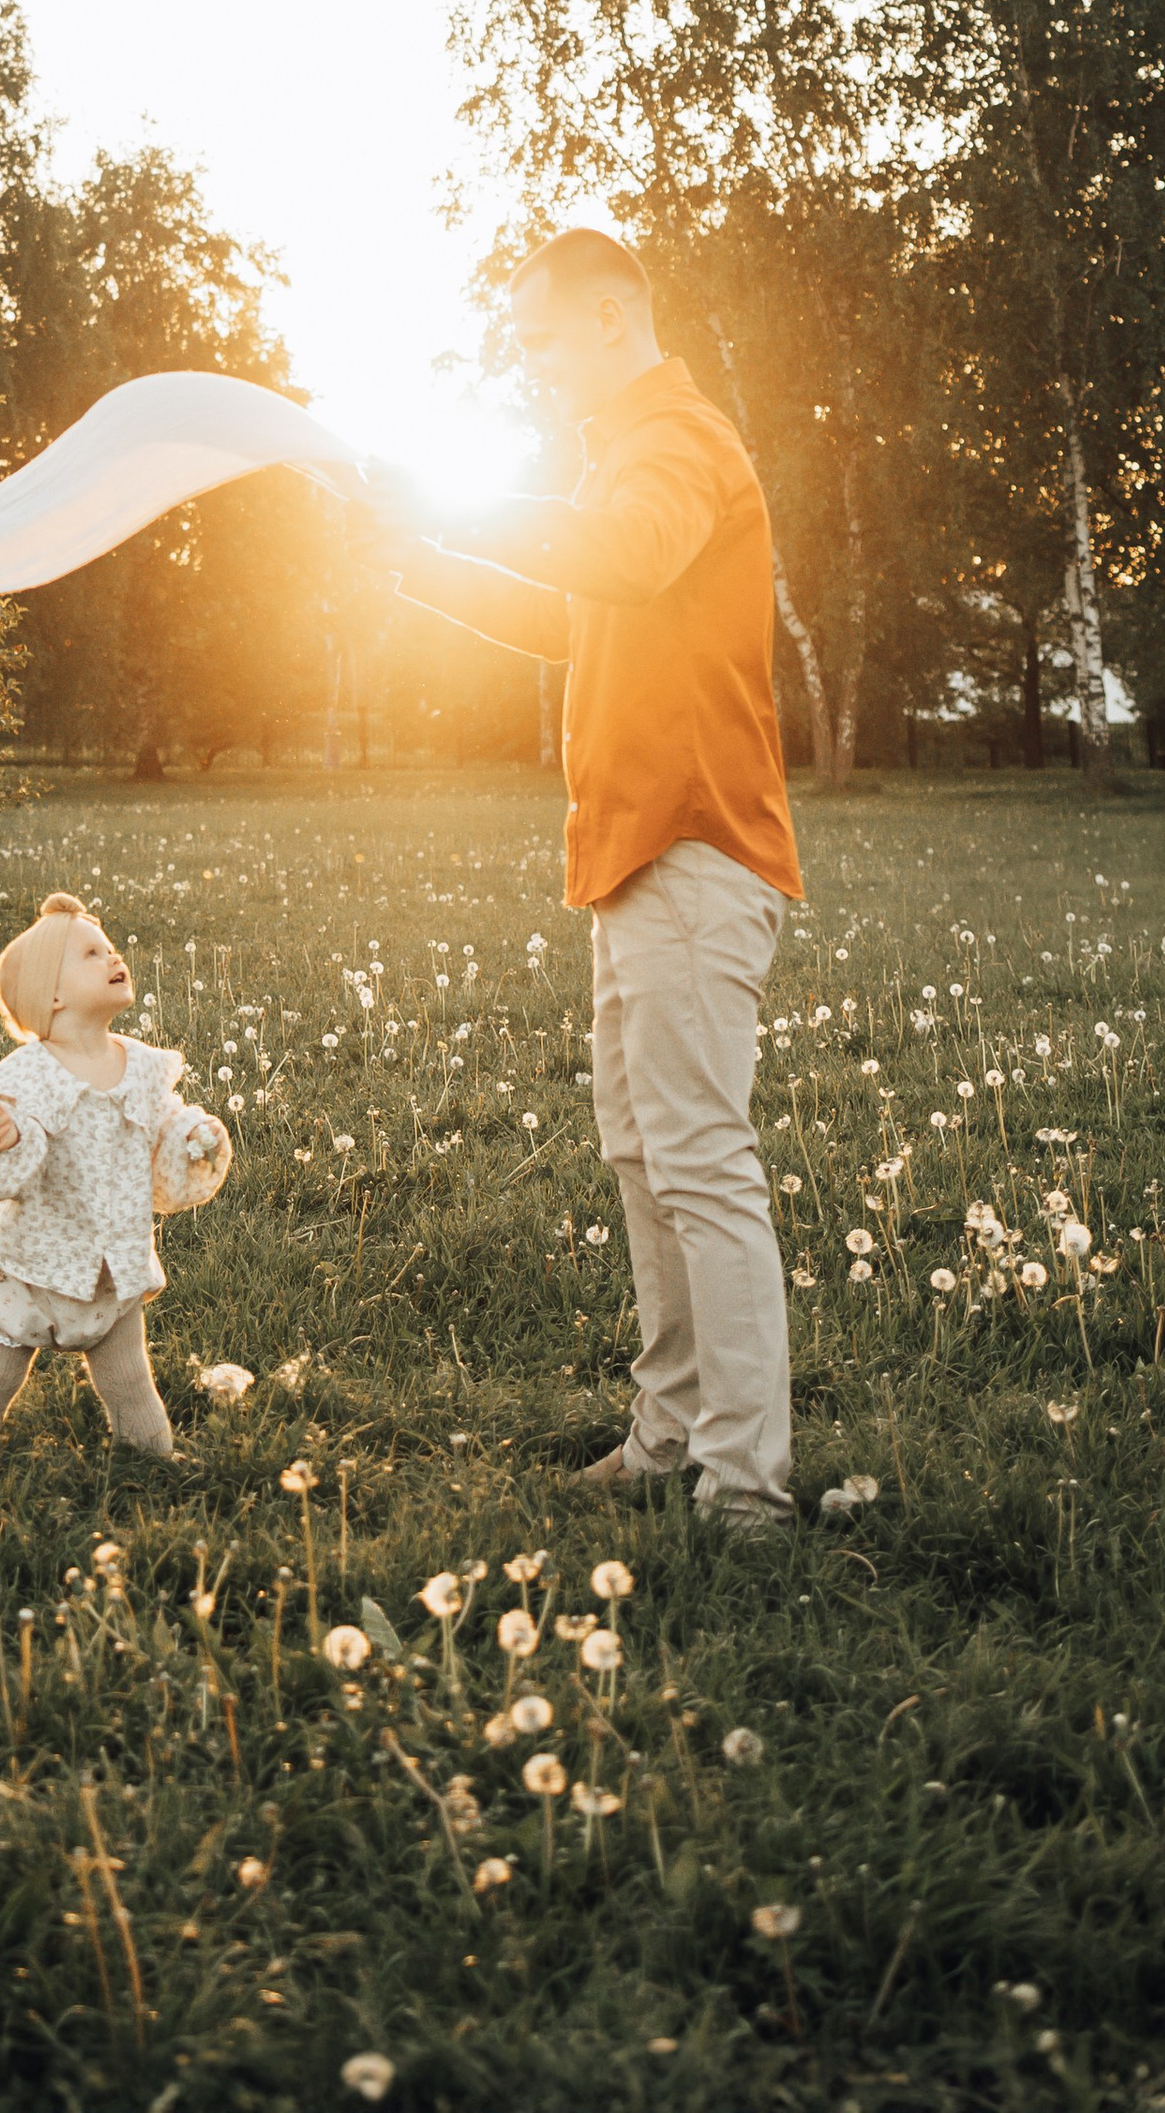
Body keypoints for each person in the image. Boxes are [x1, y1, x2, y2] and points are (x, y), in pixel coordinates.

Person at [357, 228, 805, 1531]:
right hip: (631, 862)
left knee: (699, 1165)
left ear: (613, 319)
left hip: (692, 849)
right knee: (642, 1158)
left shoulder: (677, 442)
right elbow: (580, 611)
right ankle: (669, 1438)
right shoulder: (625, 463)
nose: (533, 365)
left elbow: (622, 556)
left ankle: (747, 1488)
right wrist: (427, 570)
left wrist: (442, 501)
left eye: (543, 338)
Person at [0, 892, 232, 1453]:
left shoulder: (142, 1066)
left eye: (111, 948)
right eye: (92, 954)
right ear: (51, 994)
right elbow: (7, 1141)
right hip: (30, 1264)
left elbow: (162, 1121)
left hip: (110, 1266)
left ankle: (152, 1465)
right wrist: (6, 1134)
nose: (113, 958)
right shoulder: (31, 1076)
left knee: (128, 1380)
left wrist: (193, 1134)